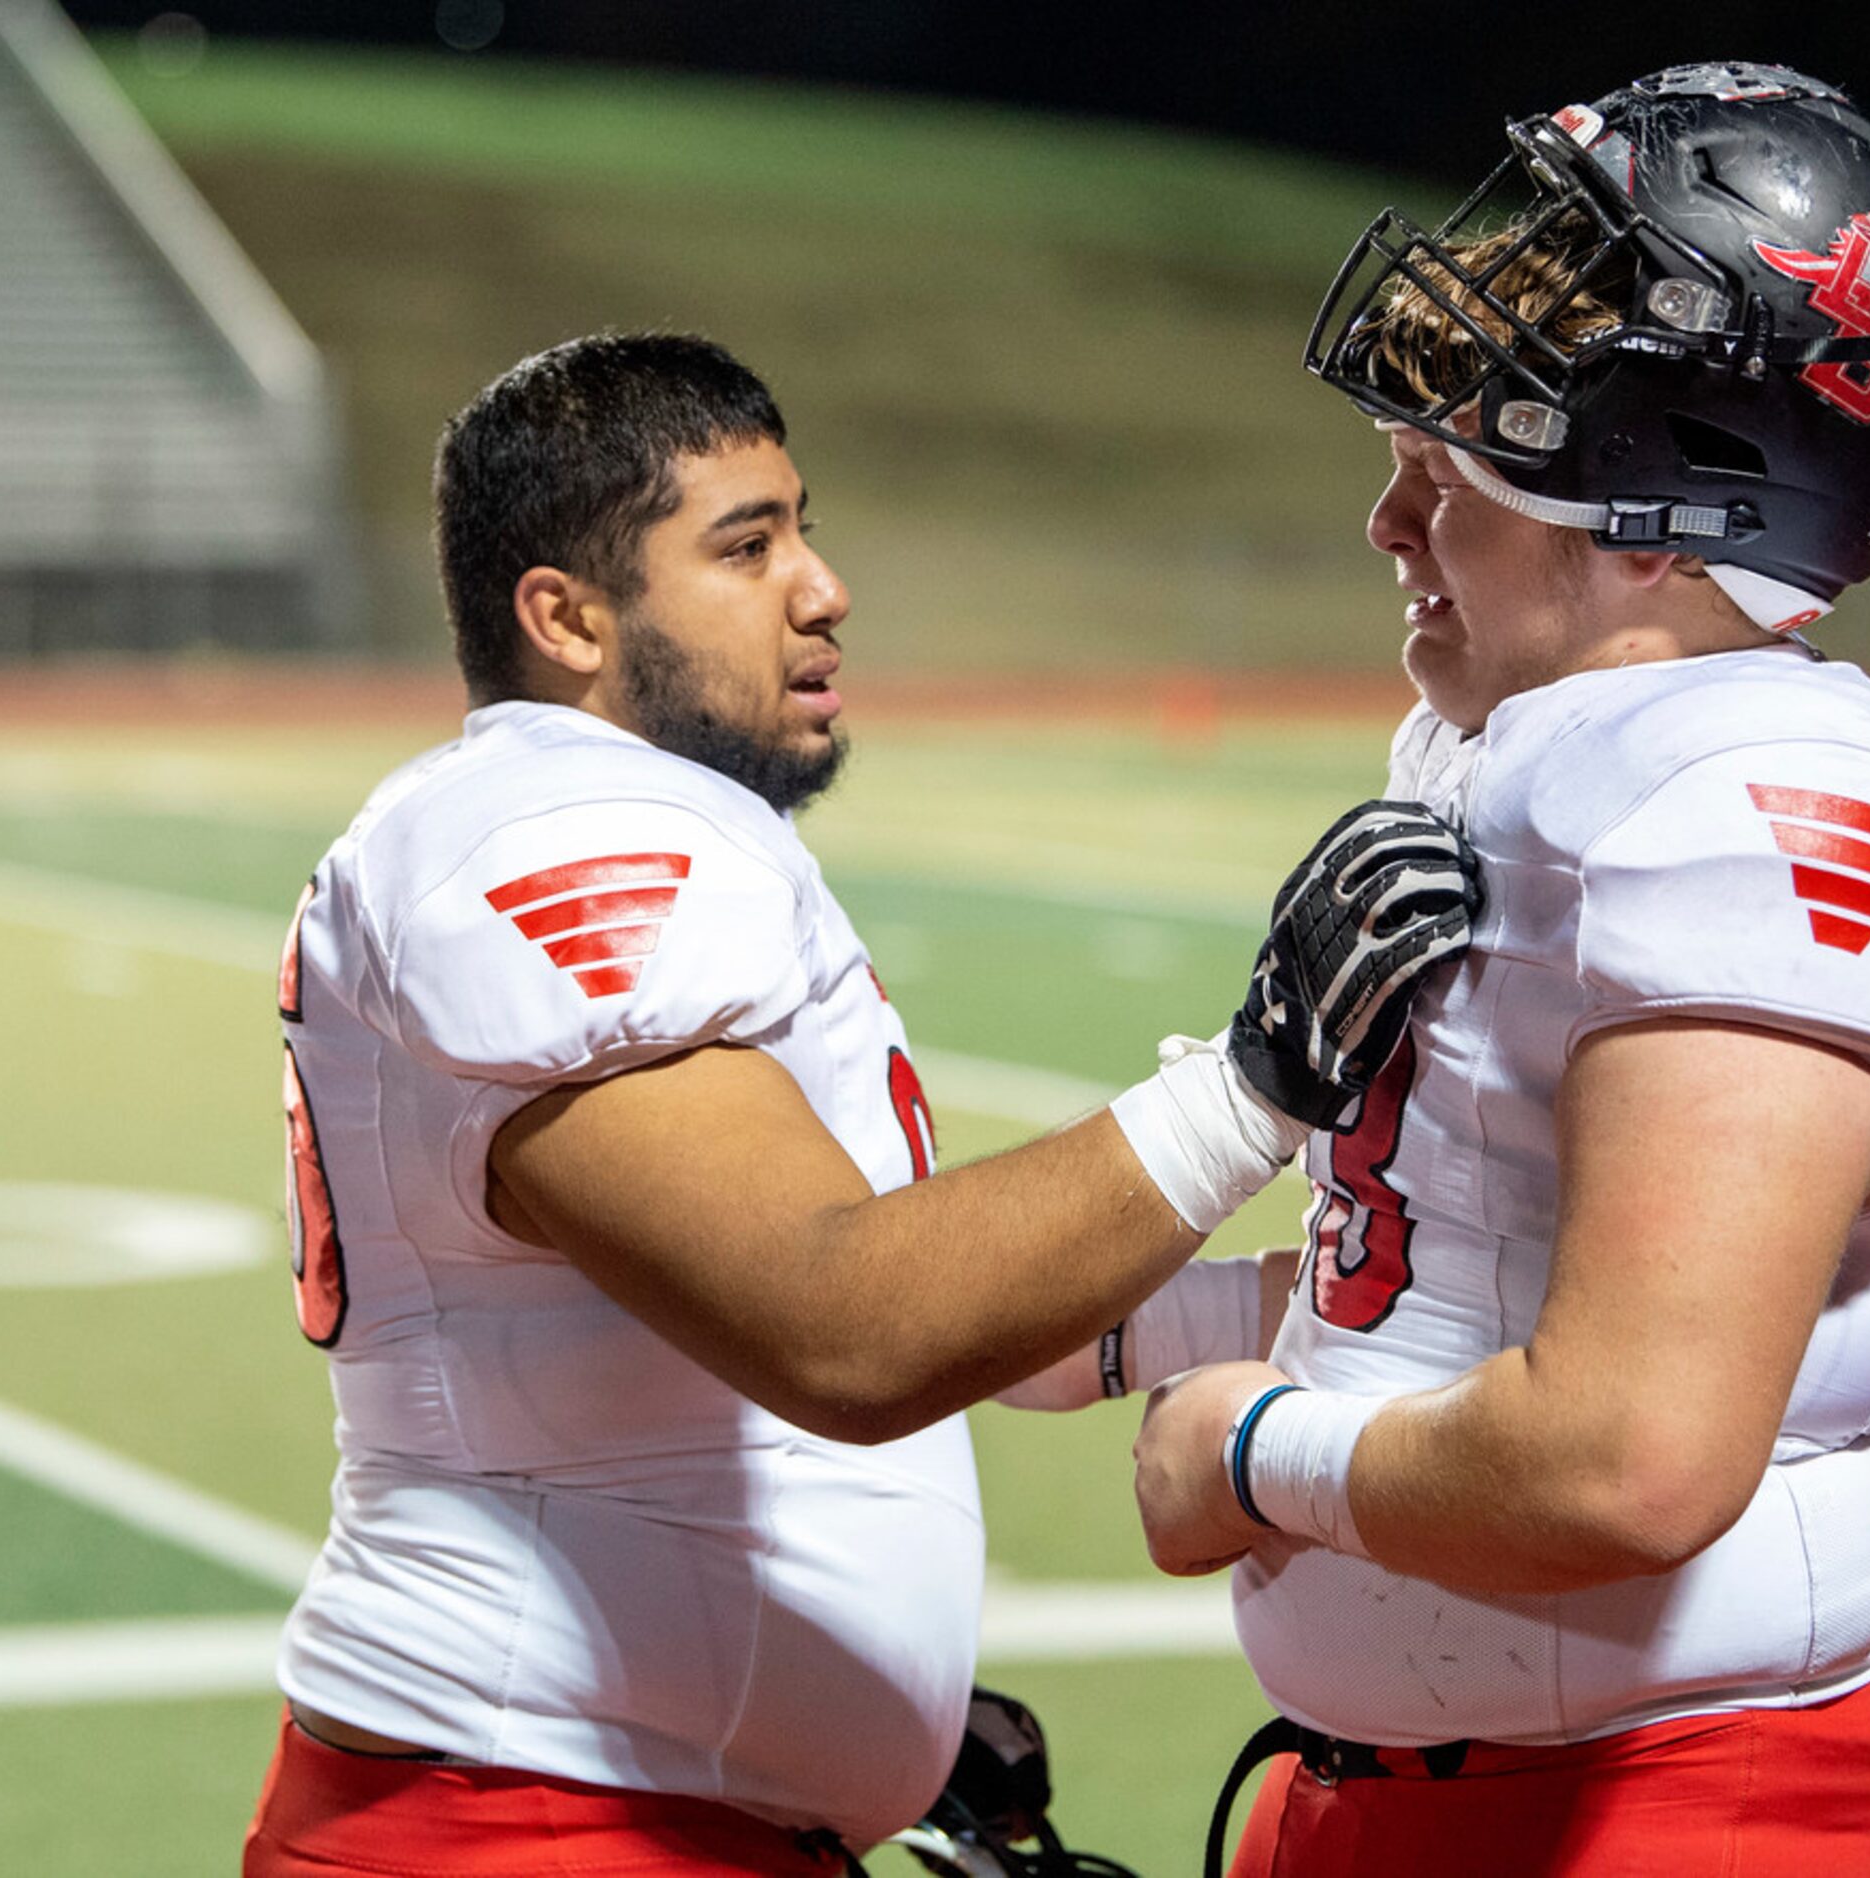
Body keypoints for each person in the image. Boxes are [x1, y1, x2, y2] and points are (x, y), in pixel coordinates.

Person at [249, 333, 1482, 1877]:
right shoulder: (553, 825)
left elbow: (866, 1308)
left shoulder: (608, 820)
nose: (821, 588)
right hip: (531, 1820)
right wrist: (1255, 1086)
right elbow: (846, 1321)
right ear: (565, 617)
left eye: (802, 528)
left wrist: (1292, 1308)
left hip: (630, 1795)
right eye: (746, 547)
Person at [1119, 61, 1870, 1875]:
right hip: (1420, 1797)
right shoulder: (1530, 752)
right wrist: (1161, 1320)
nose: (1390, 527)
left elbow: (1630, 1452)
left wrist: (1247, 1452)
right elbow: (1490, 1277)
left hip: (1675, 1814)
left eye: (1446, 473)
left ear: (1679, 491)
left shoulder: (1758, 795)